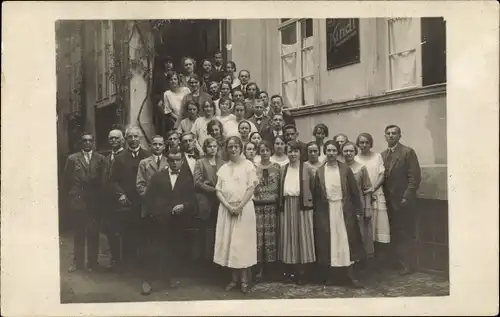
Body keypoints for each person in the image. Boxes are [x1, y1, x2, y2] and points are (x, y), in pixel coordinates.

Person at [141, 149, 196, 295]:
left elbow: (192, 200)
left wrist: (184, 206)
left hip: (177, 221)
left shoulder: (187, 178)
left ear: (182, 161)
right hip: (158, 220)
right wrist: (155, 214)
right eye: (171, 160)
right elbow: (149, 198)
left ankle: (169, 277)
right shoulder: (158, 177)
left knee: (174, 249)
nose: (174, 163)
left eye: (177, 160)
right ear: (167, 161)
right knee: (154, 250)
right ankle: (148, 281)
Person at [312, 140, 365, 288]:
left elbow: (354, 192)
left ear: (338, 152)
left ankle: (351, 275)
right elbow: (317, 195)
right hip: (327, 211)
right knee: (330, 242)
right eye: (328, 150)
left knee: (346, 242)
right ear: (325, 152)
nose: (331, 153)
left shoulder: (345, 169)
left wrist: (358, 211)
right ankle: (332, 275)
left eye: (334, 150)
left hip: (344, 210)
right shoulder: (320, 171)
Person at [214, 136, 259, 294]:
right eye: (230, 147)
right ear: (226, 149)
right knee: (229, 244)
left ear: (241, 148)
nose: (233, 149)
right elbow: (218, 190)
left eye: (236, 147)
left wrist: (239, 206)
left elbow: (251, 188)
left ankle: (245, 280)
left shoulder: (248, 166)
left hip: (244, 209)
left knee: (242, 244)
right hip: (227, 210)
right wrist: (227, 206)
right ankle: (234, 279)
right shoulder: (224, 168)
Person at [381, 125, 421, 276]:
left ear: (399, 136)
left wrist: (406, 197)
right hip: (387, 202)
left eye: (394, 133)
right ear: (385, 136)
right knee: (392, 233)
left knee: (405, 233)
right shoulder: (383, 155)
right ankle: (395, 262)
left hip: (403, 202)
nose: (391, 136)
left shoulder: (407, 152)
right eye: (388, 133)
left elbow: (414, 177)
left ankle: (408, 265)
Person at [108, 126, 151, 268]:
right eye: (130, 137)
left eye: (136, 136)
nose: (133, 139)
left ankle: (143, 263)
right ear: (126, 139)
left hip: (144, 200)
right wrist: (120, 194)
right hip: (127, 200)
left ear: (140, 138)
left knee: (144, 232)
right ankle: (128, 264)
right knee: (127, 232)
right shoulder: (120, 158)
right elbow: (112, 180)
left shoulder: (147, 155)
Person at [63, 132, 105, 272]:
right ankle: (78, 262)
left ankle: (93, 262)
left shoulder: (100, 159)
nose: (87, 143)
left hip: (94, 201)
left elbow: (102, 181)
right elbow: (66, 181)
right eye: (84, 140)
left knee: (93, 232)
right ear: (81, 143)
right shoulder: (72, 159)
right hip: (78, 199)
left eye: (90, 140)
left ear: (93, 142)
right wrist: (70, 199)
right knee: (79, 232)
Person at [278, 140, 316, 285]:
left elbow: (313, 187)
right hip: (287, 205)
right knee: (289, 238)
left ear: (300, 153)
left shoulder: (307, 168)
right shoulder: (283, 169)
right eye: (290, 151)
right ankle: (291, 272)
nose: (292, 154)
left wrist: (309, 203)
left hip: (302, 206)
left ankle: (303, 273)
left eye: (295, 151)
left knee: (303, 238)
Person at [355, 132, 391, 269]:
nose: (364, 145)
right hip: (363, 197)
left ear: (370, 144)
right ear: (358, 144)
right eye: (361, 142)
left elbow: (382, 174)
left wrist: (373, 189)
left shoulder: (377, 157)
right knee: (365, 228)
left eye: (366, 142)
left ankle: (379, 263)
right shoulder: (356, 158)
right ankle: (366, 261)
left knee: (379, 228)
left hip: (376, 194)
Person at [193, 138, 225, 267]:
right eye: (209, 146)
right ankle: (204, 262)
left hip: (220, 201)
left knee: (218, 230)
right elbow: (197, 182)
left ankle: (217, 262)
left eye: (214, 146)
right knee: (205, 231)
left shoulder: (223, 163)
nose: (212, 148)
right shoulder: (200, 162)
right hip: (205, 200)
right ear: (205, 148)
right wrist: (213, 189)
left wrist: (216, 188)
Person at [253, 140, 280, 282]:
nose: (264, 153)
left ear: (271, 152)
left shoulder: (277, 167)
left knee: (271, 237)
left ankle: (272, 269)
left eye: (267, 150)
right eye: (262, 150)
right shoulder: (254, 168)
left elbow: (278, 188)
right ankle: (259, 269)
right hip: (258, 207)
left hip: (271, 208)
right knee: (259, 238)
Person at [342, 141, 375, 260]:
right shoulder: (340, 168)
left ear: (355, 152)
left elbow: (367, 189)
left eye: (351, 151)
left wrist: (367, 208)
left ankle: (360, 264)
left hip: (359, 206)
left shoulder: (361, 168)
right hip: (343, 207)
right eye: (345, 151)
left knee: (360, 234)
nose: (348, 153)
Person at [101, 129, 125, 270]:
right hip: (108, 202)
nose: (114, 141)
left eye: (116, 138)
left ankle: (125, 262)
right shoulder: (106, 158)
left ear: (122, 139)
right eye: (111, 138)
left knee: (124, 231)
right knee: (111, 232)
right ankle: (115, 260)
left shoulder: (126, 156)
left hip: (122, 199)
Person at [136, 135, 169, 217]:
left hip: (166, 203)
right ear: (150, 146)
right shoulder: (144, 163)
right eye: (155, 144)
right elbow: (140, 185)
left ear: (164, 146)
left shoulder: (169, 162)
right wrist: (150, 197)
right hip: (149, 204)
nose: (157, 146)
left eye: (160, 144)